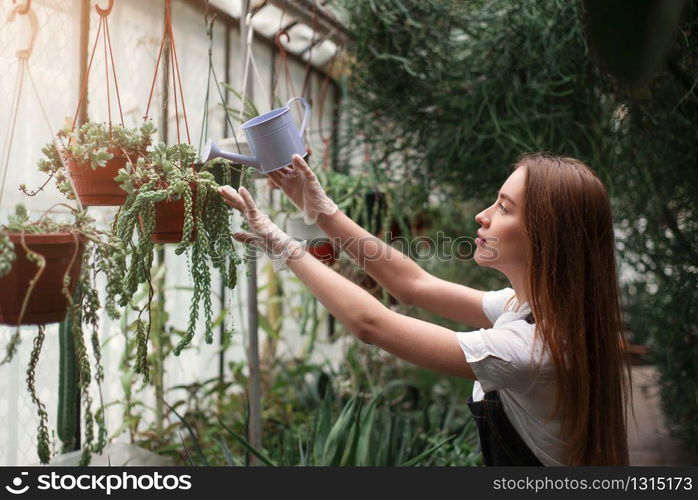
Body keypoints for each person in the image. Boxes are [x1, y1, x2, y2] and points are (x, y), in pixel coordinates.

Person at [218, 152, 632, 466]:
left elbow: (371, 325)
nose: (482, 216)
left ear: (549, 235)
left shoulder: (528, 348)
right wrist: (324, 212)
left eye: (504, 208)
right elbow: (412, 285)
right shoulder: (530, 310)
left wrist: (285, 247)